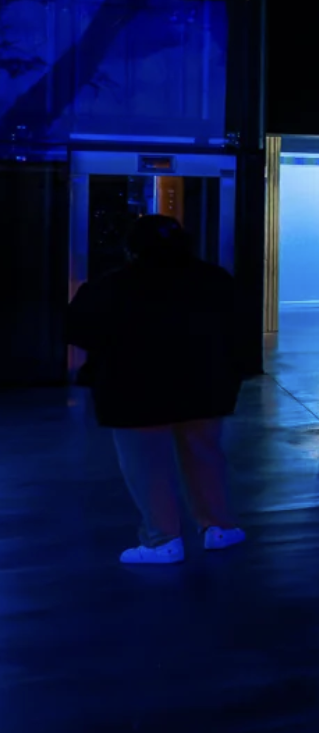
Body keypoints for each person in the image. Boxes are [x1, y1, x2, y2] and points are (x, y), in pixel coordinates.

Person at [66, 214, 244, 565]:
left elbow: (78, 330)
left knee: (147, 466)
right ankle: (218, 527)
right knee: (205, 455)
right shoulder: (215, 280)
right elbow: (238, 332)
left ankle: (162, 540)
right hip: (205, 387)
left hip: (133, 391)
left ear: (132, 248)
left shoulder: (112, 286)